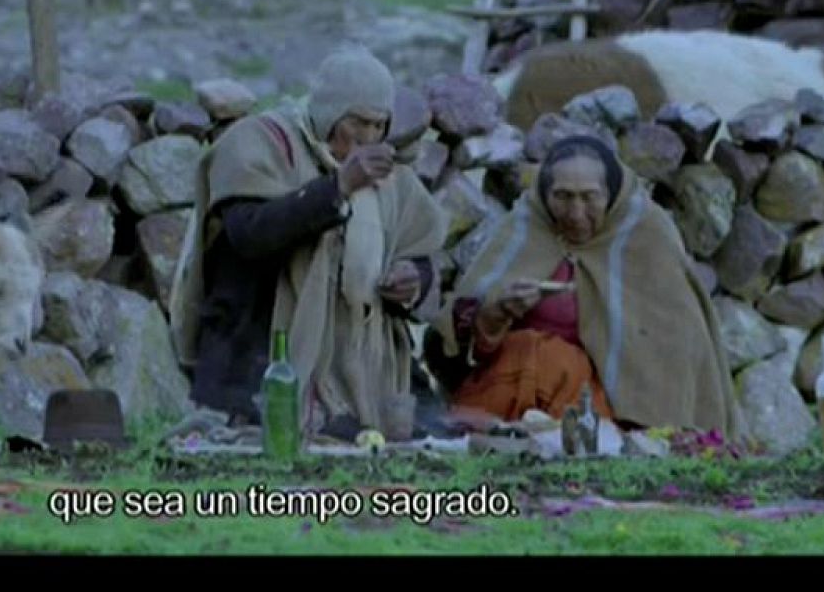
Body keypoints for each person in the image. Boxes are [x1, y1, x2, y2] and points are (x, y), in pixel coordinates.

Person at [170, 47, 447, 441]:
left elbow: (418, 242)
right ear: (330, 113)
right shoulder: (259, 141)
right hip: (258, 345)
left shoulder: (385, 170)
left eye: (378, 125)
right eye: (358, 123)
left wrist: (413, 277)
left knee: (424, 432)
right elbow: (248, 235)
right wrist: (337, 188)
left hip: (352, 357)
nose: (368, 137)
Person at [431, 135, 743, 437]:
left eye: (589, 197)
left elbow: (675, 352)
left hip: (605, 412)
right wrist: (497, 314)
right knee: (531, 354)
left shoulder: (647, 236)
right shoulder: (525, 228)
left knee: (558, 364)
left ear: (612, 194)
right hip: (510, 396)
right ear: (545, 193)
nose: (576, 214)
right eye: (563, 197)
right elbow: (464, 347)